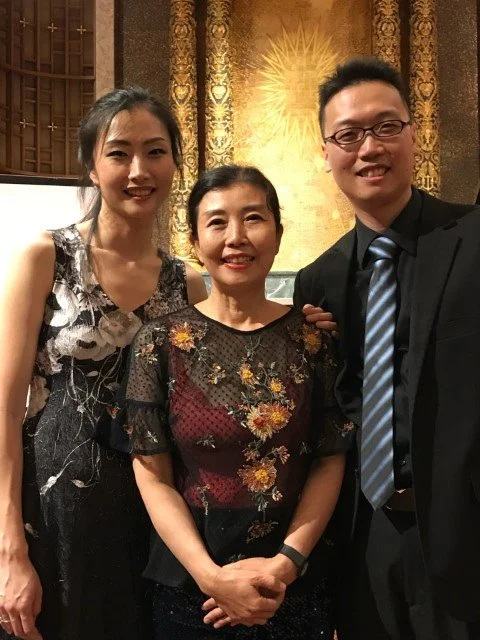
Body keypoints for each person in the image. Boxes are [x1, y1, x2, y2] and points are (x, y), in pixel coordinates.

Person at [96, 164, 353, 639]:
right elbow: (153, 475)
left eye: (253, 218)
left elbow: (328, 459)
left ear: (278, 234)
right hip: (192, 591)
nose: (236, 237)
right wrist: (211, 577)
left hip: (293, 587)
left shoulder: (313, 341)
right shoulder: (160, 343)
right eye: (217, 222)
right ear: (195, 242)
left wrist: (285, 564)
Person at [0, 87, 206, 640]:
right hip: (52, 520)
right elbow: (4, 411)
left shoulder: (186, 284)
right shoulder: (46, 257)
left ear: (174, 163)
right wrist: (8, 548)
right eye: (119, 153)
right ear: (92, 167)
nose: (139, 170)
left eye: (156, 151)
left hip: (151, 522)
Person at [294, 57, 480, 639]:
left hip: (465, 532)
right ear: (327, 153)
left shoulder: (473, 238)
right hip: (363, 537)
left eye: (386, 127)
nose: (369, 148)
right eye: (348, 135)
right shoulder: (318, 281)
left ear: (414, 134)